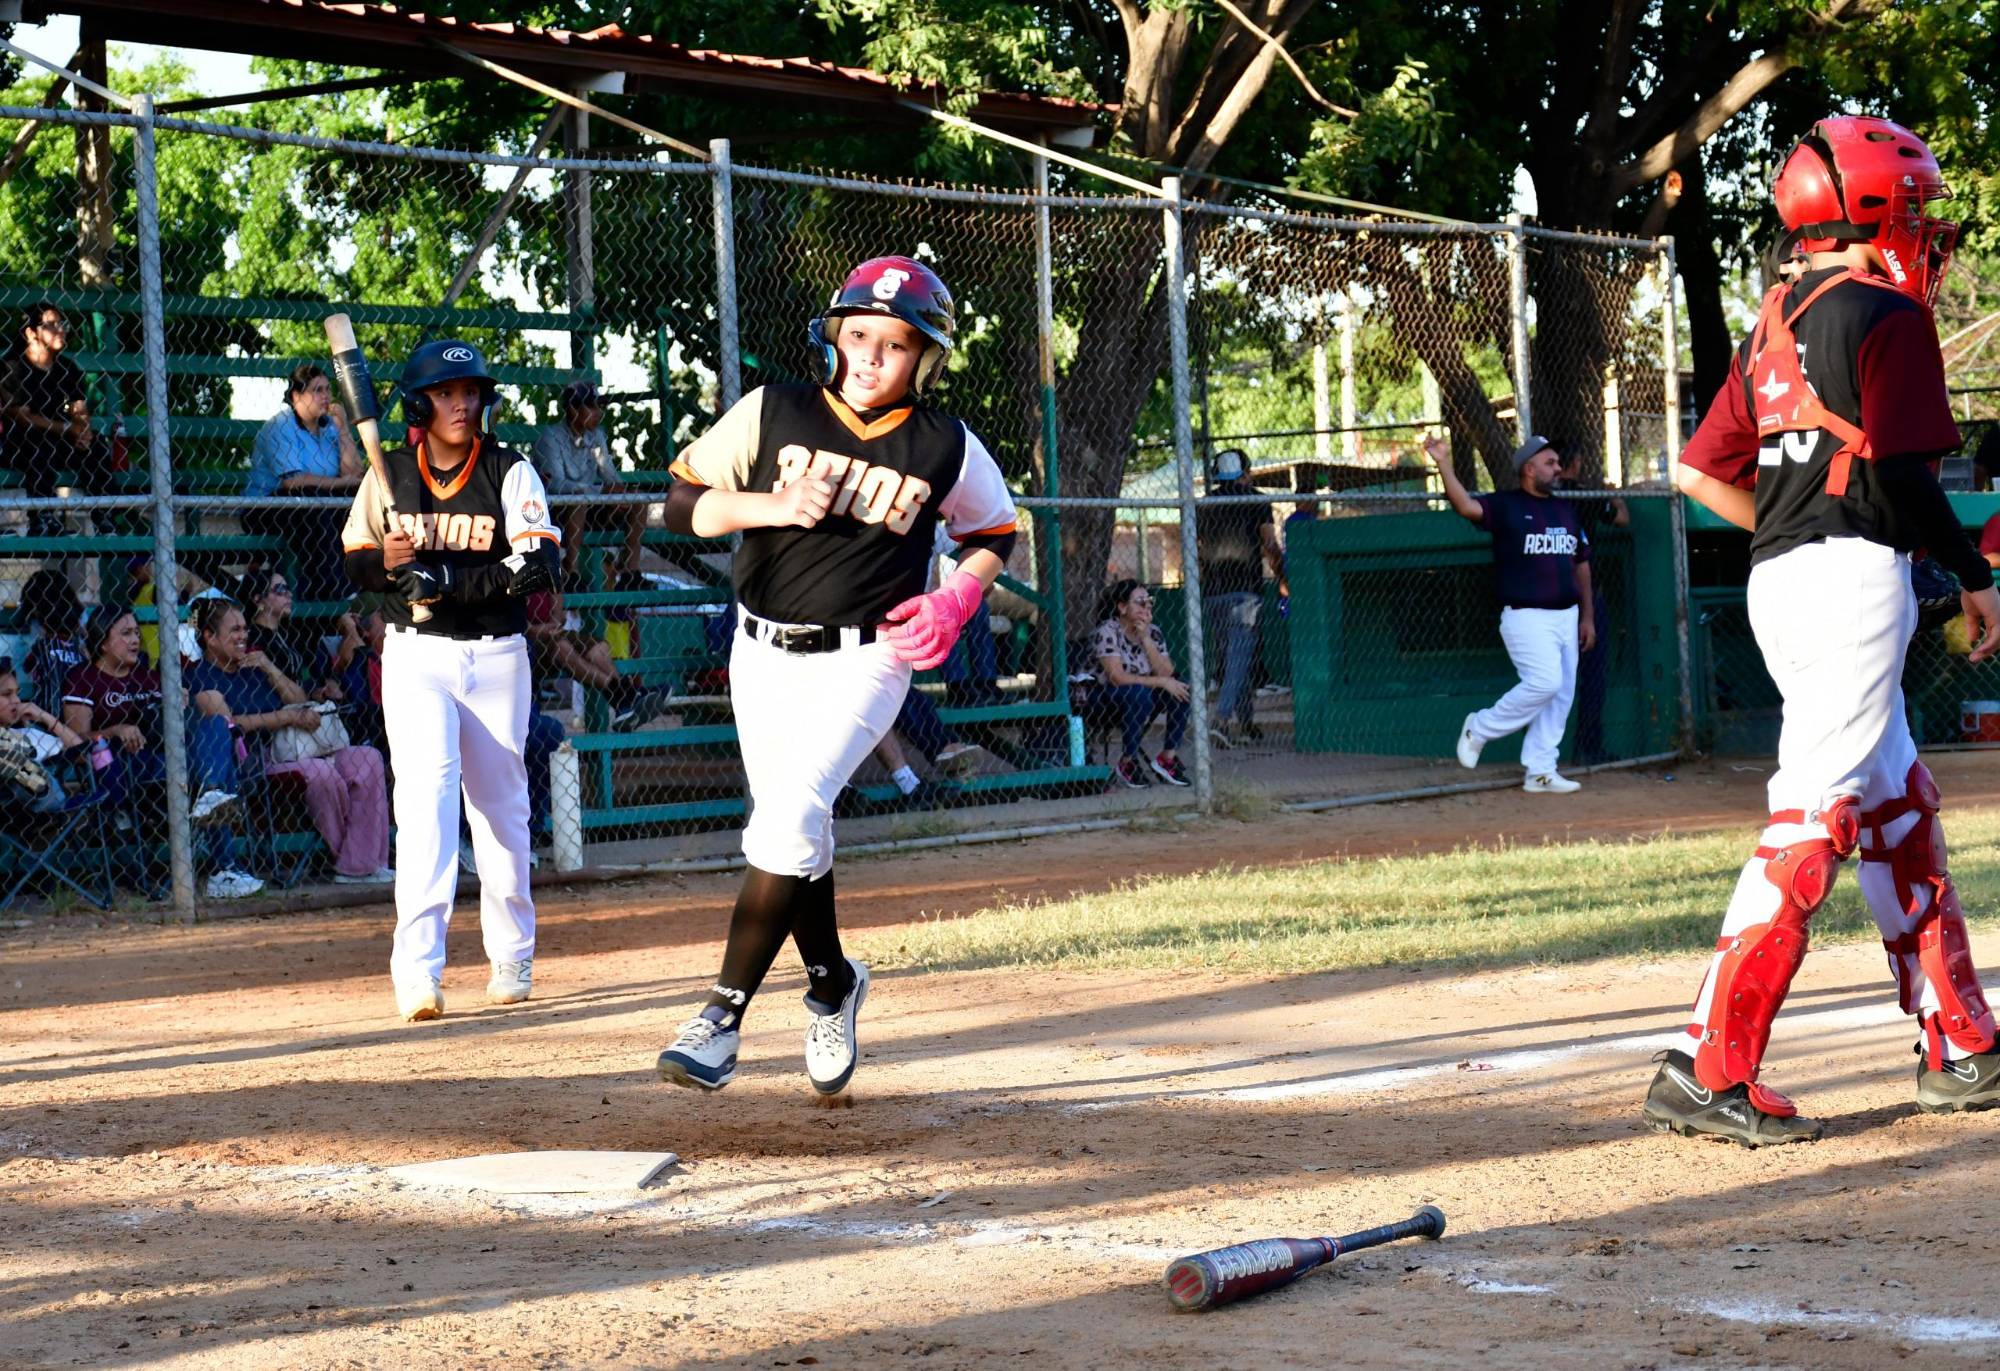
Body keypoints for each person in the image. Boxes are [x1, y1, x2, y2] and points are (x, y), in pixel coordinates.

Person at [1647, 115, 2000, 1146]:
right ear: (1873, 211)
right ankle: (1705, 1066)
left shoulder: (1774, 320)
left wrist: (1818, 531)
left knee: (1895, 805)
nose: (1923, 233)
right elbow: (1897, 473)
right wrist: (1973, 575)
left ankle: (1959, 1040)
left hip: (1785, 579)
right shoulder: (1885, 312)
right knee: (1811, 826)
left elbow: (1697, 473)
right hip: (1847, 585)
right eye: (1915, 211)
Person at [653, 254, 1017, 1095]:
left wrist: (957, 597)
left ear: (924, 358)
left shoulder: (944, 443)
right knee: (796, 829)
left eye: (894, 345)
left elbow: (995, 530)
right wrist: (773, 506)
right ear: (834, 337)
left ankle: (720, 1015)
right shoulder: (774, 408)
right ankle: (831, 983)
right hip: (759, 650)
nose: (870, 356)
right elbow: (681, 504)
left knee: (789, 814)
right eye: (858, 335)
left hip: (870, 655)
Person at [340, 339, 561, 1022]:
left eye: (470, 391)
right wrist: (389, 563)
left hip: (497, 656)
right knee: (428, 800)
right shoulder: (390, 476)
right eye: (445, 392)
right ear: (420, 402)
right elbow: (355, 564)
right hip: (416, 655)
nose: (462, 403)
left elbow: (538, 567)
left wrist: (451, 581)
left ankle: (512, 951)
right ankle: (418, 970)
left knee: (500, 811)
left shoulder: (509, 469)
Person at [1426, 432, 1596, 794]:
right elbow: (1465, 507)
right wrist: (1443, 464)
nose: (1557, 468)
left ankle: (1541, 770)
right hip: (1526, 615)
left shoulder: (1565, 510)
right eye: (1549, 463)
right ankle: (1480, 728)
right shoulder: (1507, 505)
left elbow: (1581, 564)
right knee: (1545, 683)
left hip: (1567, 615)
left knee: (1562, 692)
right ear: (1528, 468)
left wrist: (1587, 617)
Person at [187, 597, 392, 887]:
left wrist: (269, 666)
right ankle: (354, 863)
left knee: (369, 758)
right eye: (234, 630)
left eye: (245, 628)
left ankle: (364, 861)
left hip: (303, 746)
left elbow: (300, 700)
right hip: (258, 759)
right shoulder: (199, 675)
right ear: (209, 637)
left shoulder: (253, 667)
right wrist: (287, 718)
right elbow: (229, 723)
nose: (243, 636)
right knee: (320, 774)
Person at [59, 606, 261, 899]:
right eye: (126, 633)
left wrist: (180, 704)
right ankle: (224, 866)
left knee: (215, 723)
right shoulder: (84, 678)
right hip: (129, 770)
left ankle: (211, 794)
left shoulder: (149, 677)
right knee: (216, 775)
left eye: (137, 633)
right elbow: (77, 742)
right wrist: (115, 730)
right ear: (103, 641)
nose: (135, 640)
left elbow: (178, 724)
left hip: (174, 760)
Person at [244, 364, 365, 601]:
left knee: (356, 500)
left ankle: (358, 576)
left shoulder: (329, 427)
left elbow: (355, 474)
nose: (326, 397)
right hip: (266, 506)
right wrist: (342, 483)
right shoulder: (281, 426)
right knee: (310, 499)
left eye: (328, 390)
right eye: (317, 390)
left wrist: (343, 430)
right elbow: (293, 483)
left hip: (317, 501)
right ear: (296, 396)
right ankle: (332, 588)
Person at [2, 302, 109, 536]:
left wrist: (83, 430)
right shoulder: (12, 366)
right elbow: (22, 418)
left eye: (62, 324)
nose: (61, 329)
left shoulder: (67, 368)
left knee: (98, 445)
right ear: (31, 332)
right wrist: (67, 428)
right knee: (38, 442)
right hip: (18, 444)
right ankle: (42, 519)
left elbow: (79, 408)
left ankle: (106, 517)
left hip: (59, 439)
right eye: (52, 325)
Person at [1198, 448, 1281, 744]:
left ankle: (1247, 724)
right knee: (1239, 656)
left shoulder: (1204, 505)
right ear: (1246, 473)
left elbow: (1196, 550)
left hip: (1212, 593)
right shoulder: (1256, 499)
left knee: (1236, 657)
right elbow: (1269, 541)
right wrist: (1282, 576)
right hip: (1245, 591)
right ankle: (1221, 720)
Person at [1555, 449, 1629, 764]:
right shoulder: (1586, 495)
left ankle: (1555, 751)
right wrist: (1616, 497)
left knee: (1553, 680)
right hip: (1584, 597)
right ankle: (1587, 748)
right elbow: (1622, 519)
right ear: (1573, 463)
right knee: (1591, 676)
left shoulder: (1543, 500)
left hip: (1551, 597)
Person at [532, 379, 645, 580]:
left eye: (600, 407)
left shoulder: (597, 436)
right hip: (556, 511)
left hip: (592, 505)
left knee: (639, 501)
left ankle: (631, 571)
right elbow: (556, 485)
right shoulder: (550, 437)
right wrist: (601, 492)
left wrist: (620, 491)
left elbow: (609, 474)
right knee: (578, 499)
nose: (599, 413)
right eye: (592, 406)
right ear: (573, 410)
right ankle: (571, 569)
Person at [1085, 579, 1191, 788]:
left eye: (1149, 602)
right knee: (1137, 693)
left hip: (1142, 693)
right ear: (1122, 607)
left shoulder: (1153, 632)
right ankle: (1128, 762)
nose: (1147, 607)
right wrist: (1161, 682)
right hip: (1105, 696)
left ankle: (1167, 758)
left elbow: (1167, 672)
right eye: (1140, 602)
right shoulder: (1107, 631)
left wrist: (1146, 639)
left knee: (1182, 688)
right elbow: (1116, 677)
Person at [522, 585, 662, 730]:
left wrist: (553, 624)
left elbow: (557, 604)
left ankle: (625, 704)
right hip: (526, 644)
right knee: (561, 648)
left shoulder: (546, 568)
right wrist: (541, 629)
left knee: (599, 648)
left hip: (554, 632)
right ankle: (628, 695)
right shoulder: (510, 571)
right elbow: (523, 627)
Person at [239, 567, 348, 703]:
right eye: (280, 589)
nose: (289, 594)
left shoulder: (290, 632)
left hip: (304, 704)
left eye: (287, 589)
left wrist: (316, 691)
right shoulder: (252, 638)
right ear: (258, 599)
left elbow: (307, 671)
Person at [0, 654, 85, 814]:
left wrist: (45, 717)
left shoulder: (29, 734)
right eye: (6, 694)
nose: (17, 700)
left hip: (28, 809)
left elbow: (81, 753)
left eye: (17, 693)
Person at [17, 567, 89, 712]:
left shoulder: (40, 643)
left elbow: (24, 669)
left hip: (47, 709)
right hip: (76, 704)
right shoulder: (79, 642)